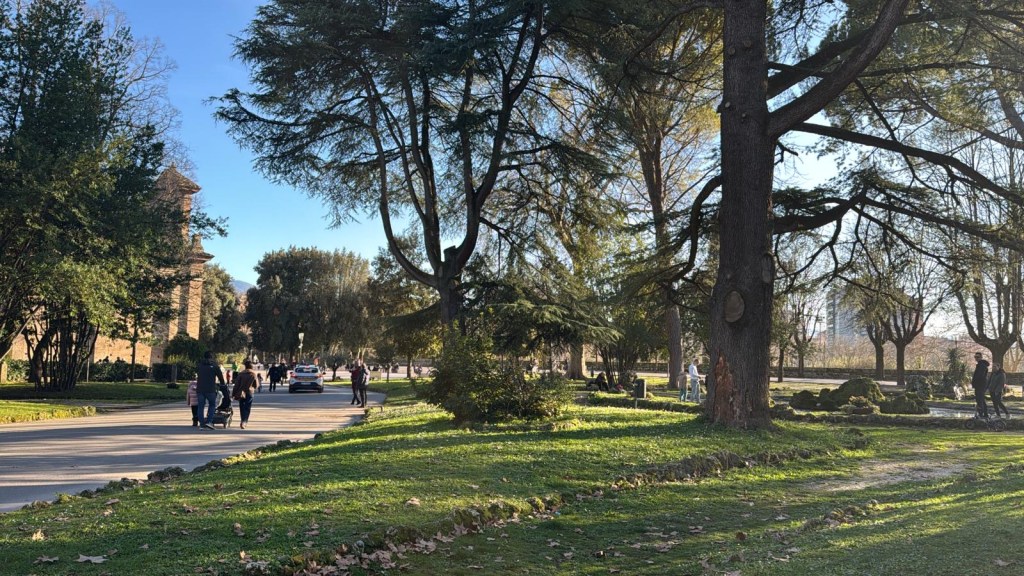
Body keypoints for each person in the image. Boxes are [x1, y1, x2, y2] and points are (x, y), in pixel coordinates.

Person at [196, 351, 226, 430]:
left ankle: (202, 424)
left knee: (200, 406)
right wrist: (223, 384)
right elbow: (220, 377)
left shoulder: (200, 365)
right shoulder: (215, 366)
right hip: (210, 389)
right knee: (212, 405)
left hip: (200, 389)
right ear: (211, 357)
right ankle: (209, 422)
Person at [232, 359, 260, 429]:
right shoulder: (253, 374)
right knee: (247, 407)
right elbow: (256, 385)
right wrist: (253, 387)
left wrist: (233, 393)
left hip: (241, 392)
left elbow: (236, 385)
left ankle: (242, 420)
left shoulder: (241, 374)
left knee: (242, 406)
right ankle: (245, 421)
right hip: (250, 392)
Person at [972, 351, 990, 419]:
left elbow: (980, 376)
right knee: (981, 399)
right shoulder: (980, 365)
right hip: (980, 385)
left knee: (979, 399)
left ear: (981, 357)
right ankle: (985, 413)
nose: (976, 358)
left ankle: (981, 414)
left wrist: (975, 382)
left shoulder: (982, 365)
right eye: (975, 357)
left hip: (980, 385)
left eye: (977, 357)